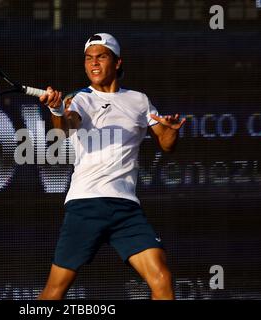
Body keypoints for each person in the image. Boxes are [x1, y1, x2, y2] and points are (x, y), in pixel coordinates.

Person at [38, 33, 186, 300]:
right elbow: (64, 127)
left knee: (162, 280)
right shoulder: (80, 99)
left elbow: (166, 144)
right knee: (54, 291)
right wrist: (57, 110)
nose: (94, 63)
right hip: (86, 204)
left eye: (101, 57)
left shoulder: (139, 101)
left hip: (126, 208)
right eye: (88, 58)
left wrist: (172, 130)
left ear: (117, 63)